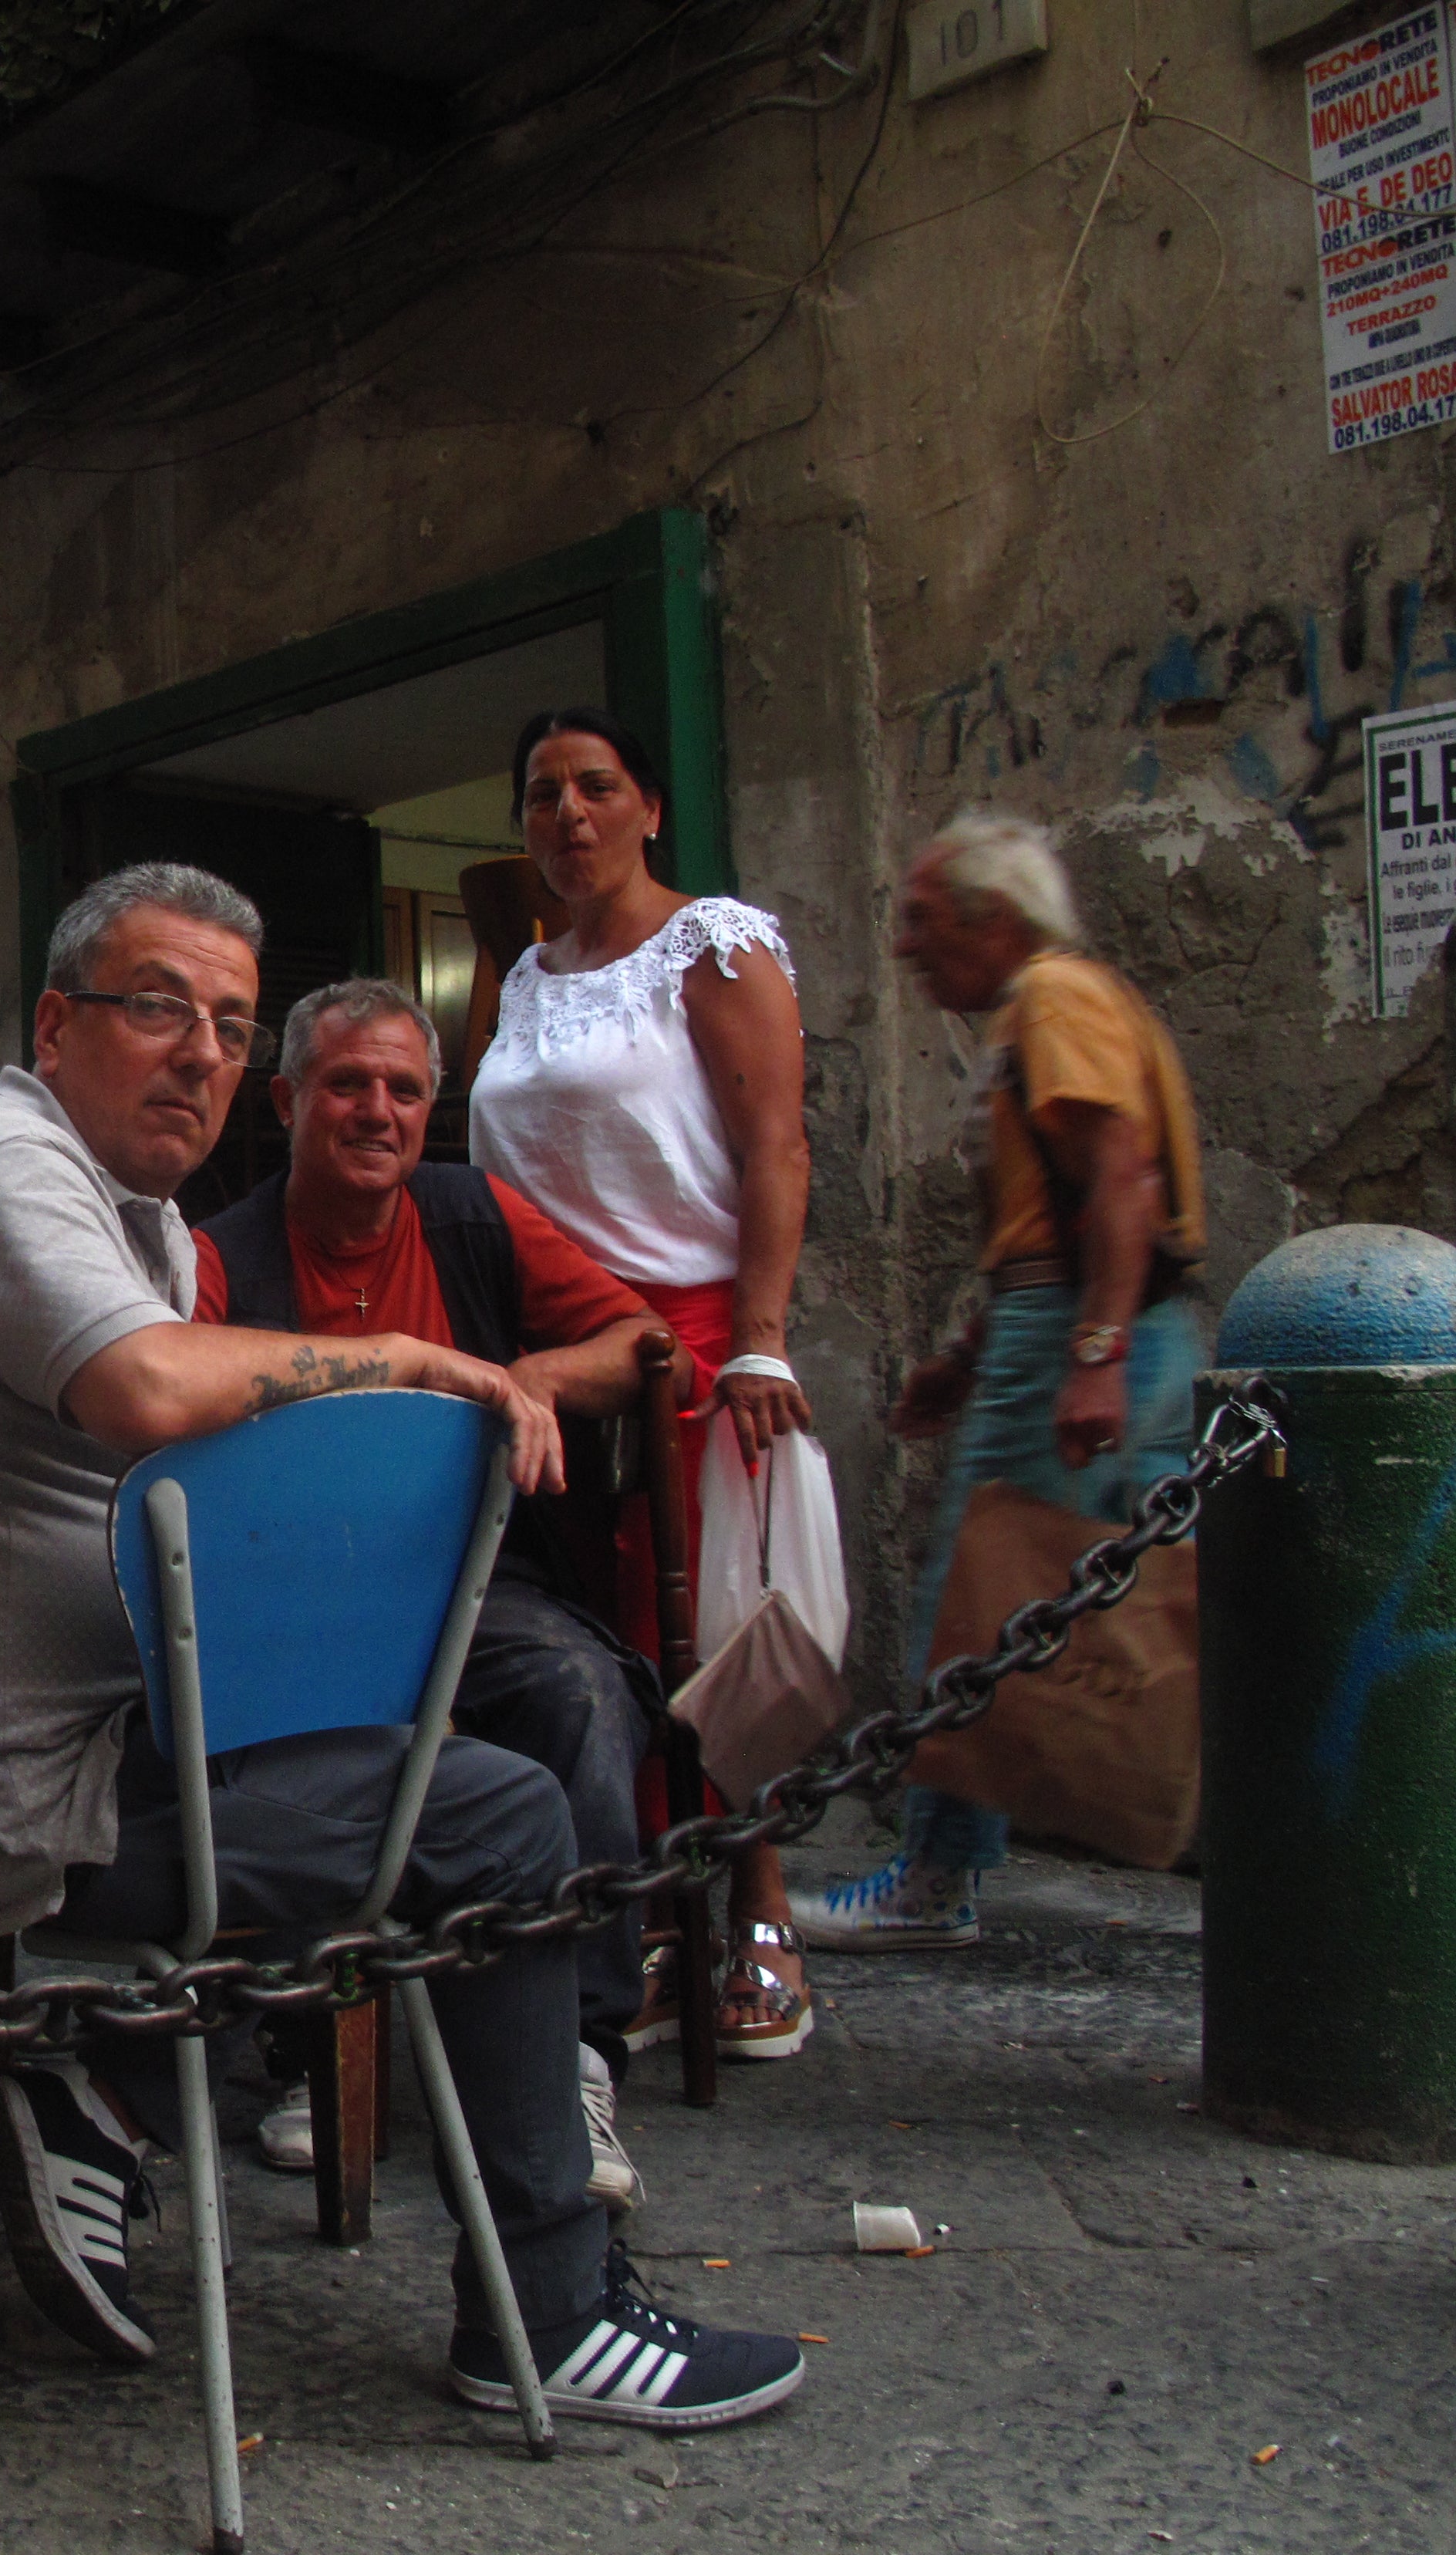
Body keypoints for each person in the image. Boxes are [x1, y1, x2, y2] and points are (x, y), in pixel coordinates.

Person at [0, 862, 802, 2430]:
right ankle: (543, 2320)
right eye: (159, 1009)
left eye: (227, 1020)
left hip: (110, 1745)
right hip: (16, 1795)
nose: (202, 1052)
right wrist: (415, 1359)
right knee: (492, 1813)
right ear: (56, 1025)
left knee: (438, 1755)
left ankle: (98, 2083)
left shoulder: (134, 1218)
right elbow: (146, 1395)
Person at [190, 977, 665, 2192]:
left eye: (404, 1089)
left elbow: (635, 1342)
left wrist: (527, 1381)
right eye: (348, 1083)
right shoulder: (219, 1257)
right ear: (289, 1098)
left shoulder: (474, 1215)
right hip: (303, 1588)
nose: (377, 1110)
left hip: (473, 1577)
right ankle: (309, 2040)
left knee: (577, 1693)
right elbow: (175, 1403)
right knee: (306, 1737)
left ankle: (578, 2056)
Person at [465, 708, 821, 2064]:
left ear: (649, 809)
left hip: (681, 1331)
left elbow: (774, 1146)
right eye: (542, 792)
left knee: (710, 1627)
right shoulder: (526, 978)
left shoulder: (711, 944)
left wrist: (762, 1336)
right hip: (547, 1339)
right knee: (587, 1630)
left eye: (596, 786)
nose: (567, 813)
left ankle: (759, 1905)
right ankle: (648, 1919)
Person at [790, 812, 1206, 1949]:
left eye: (923, 921)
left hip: (1082, 1327)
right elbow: (1056, 1214)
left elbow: (1118, 1183)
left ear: (992, 918)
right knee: (1158, 1604)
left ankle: (935, 1875)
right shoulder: (1051, 1007)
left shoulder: (1056, 1001)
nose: (909, 948)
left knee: (978, 1605)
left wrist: (1090, 1358)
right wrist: (971, 1360)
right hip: (1085, 1324)